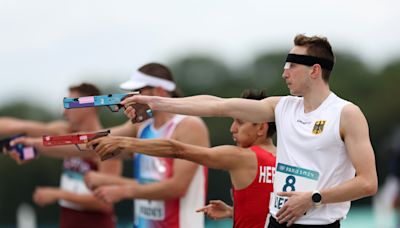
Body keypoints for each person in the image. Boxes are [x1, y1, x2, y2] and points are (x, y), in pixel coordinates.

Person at [120, 35, 378, 227]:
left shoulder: (346, 114)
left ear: (314, 70)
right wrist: (153, 103)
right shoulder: (282, 106)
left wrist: (314, 198)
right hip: (277, 221)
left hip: (320, 224)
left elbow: (368, 183)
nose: (284, 72)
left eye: (292, 66)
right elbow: (218, 105)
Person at [87, 89, 277, 228]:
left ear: (261, 127)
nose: (232, 129)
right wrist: (233, 212)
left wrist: (124, 142)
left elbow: (177, 149)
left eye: (240, 122)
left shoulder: (241, 157)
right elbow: (275, 214)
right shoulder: (286, 158)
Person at [83, 62, 210, 228]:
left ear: (159, 90)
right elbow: (91, 141)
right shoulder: (141, 126)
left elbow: (177, 187)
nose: (132, 98)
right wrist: (42, 142)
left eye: (139, 91)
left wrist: (121, 189)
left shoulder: (189, 125)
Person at [0, 83, 121, 228]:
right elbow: (22, 127)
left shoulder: (106, 144)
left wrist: (59, 194)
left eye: (70, 105)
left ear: (90, 106)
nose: (65, 112)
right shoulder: (64, 132)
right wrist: (27, 152)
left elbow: (105, 203)